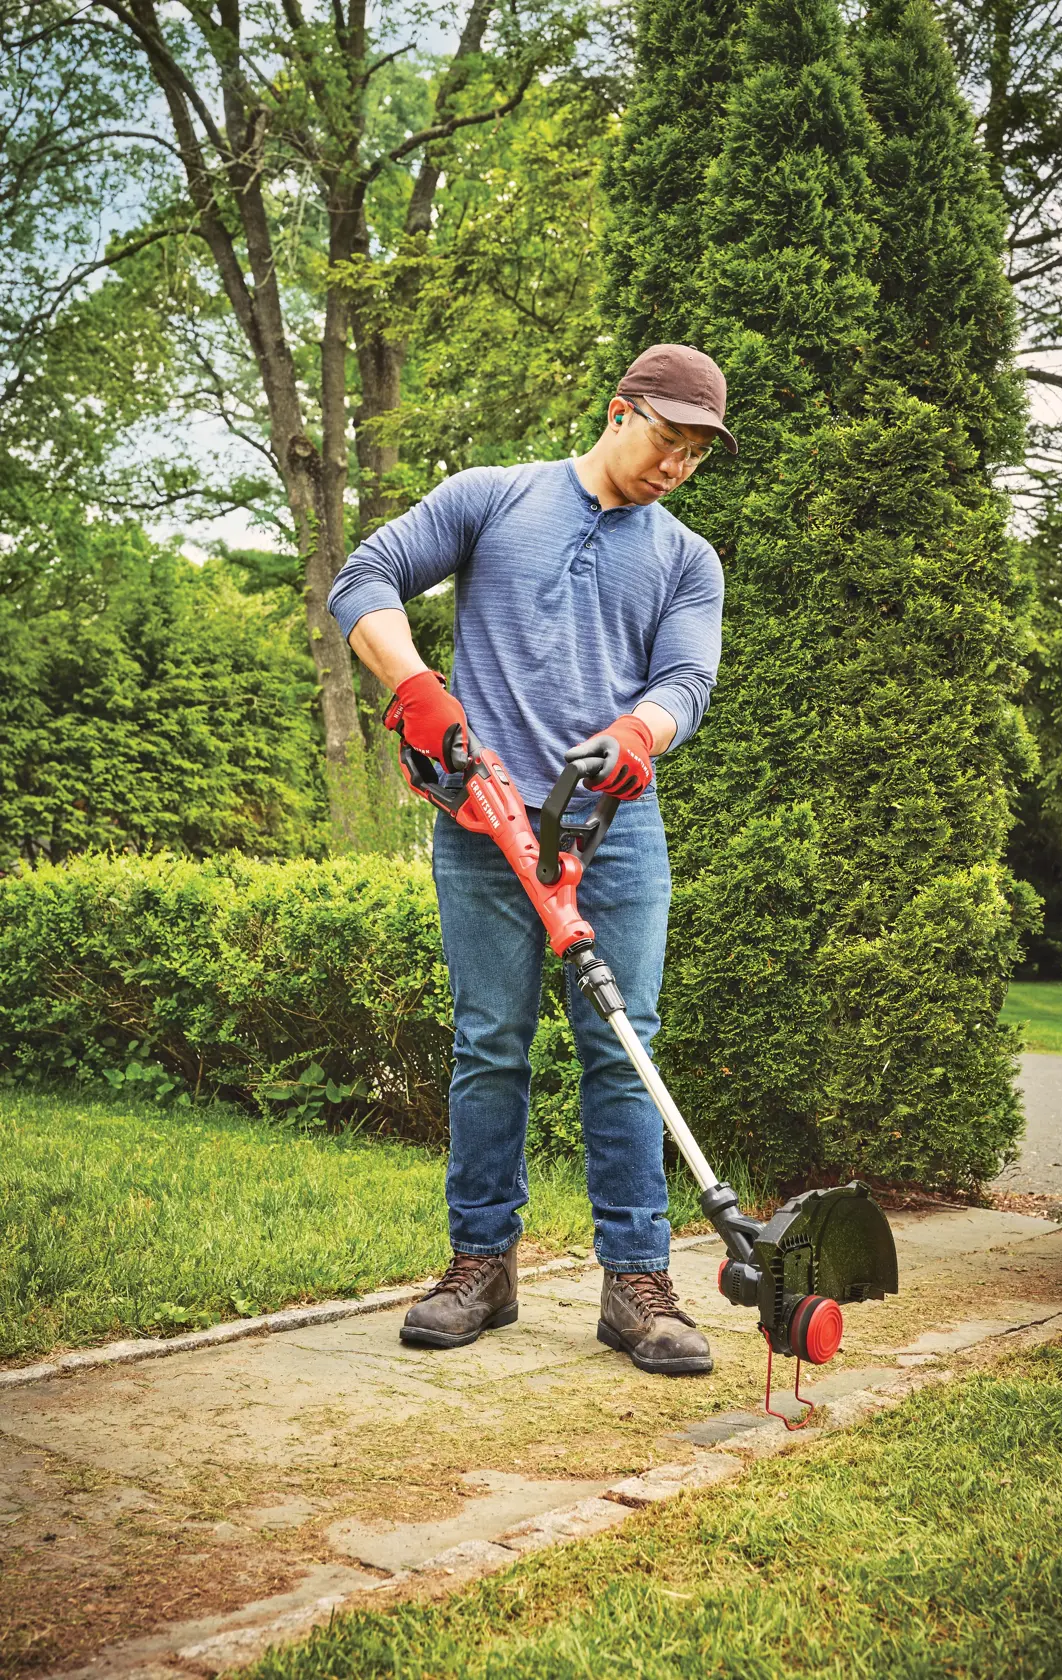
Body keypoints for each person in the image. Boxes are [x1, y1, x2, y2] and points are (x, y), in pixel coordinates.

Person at [327, 343, 734, 1376]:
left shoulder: (688, 558)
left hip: (613, 830)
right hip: (482, 822)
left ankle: (637, 1284)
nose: (675, 466)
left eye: (695, 455)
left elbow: (685, 679)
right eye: (666, 440)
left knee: (622, 1046)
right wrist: (418, 686)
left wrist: (639, 733)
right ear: (618, 411)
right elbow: (362, 577)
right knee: (490, 1043)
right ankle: (480, 1266)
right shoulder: (493, 498)